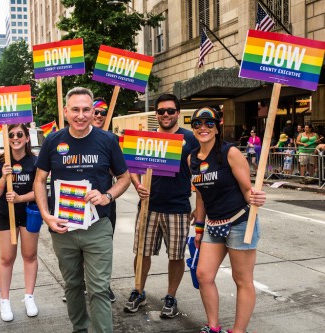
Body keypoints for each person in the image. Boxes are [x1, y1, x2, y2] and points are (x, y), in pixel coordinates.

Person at [33, 87, 131, 332]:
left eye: (86, 109)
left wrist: (107, 195)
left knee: (98, 288)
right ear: (66, 112)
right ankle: (80, 328)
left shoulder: (107, 140)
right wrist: (46, 216)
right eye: (75, 109)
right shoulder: (53, 141)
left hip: (97, 227)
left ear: (93, 111)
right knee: (73, 285)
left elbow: (124, 178)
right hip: (63, 228)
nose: (81, 115)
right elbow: (39, 181)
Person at [188, 107, 266, 333]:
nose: (203, 128)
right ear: (193, 127)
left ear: (217, 125)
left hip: (239, 222)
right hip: (213, 225)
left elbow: (247, 190)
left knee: (241, 279)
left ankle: (239, 330)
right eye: (198, 124)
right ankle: (213, 327)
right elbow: (201, 195)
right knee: (203, 275)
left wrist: (256, 197)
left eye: (209, 123)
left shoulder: (229, 152)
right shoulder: (191, 158)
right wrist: (200, 229)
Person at [123, 93, 199, 317]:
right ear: (156, 114)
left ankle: (171, 297)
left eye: (170, 111)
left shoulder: (190, 139)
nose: (166, 115)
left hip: (177, 207)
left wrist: (200, 207)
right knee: (141, 253)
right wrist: (138, 185)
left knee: (175, 256)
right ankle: (138, 291)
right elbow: (133, 169)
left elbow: (201, 171)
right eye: (161, 111)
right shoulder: (144, 137)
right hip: (149, 206)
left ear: (178, 113)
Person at [0, 123, 39, 322]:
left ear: (27, 138)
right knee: (7, 258)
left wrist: (20, 198)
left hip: (29, 213)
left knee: (29, 255)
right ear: (6, 138)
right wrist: (4, 176)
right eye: (11, 134)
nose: (16, 137)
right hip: (6, 215)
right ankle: (4, 301)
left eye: (20, 134)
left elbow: (40, 191)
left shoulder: (35, 162)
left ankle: (29, 297)